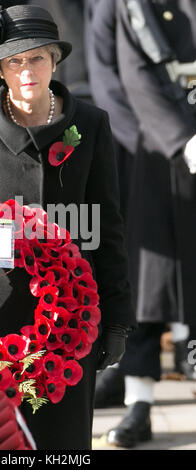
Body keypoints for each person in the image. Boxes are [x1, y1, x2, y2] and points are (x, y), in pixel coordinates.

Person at [0, 4, 136, 450]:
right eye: (15, 61)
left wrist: (116, 322)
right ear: (0, 69)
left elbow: (106, 227)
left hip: (68, 330)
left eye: (37, 57)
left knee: (63, 447)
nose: (27, 70)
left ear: (55, 60)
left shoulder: (90, 125)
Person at [86, 0, 196, 448]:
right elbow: (130, 74)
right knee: (151, 285)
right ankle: (140, 403)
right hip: (158, 149)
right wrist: (178, 139)